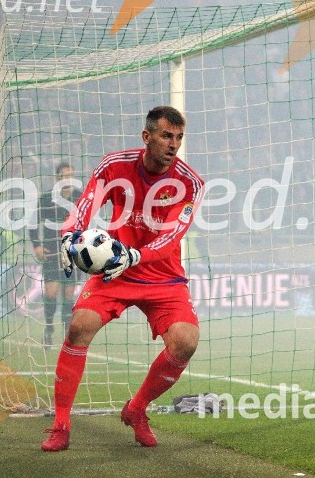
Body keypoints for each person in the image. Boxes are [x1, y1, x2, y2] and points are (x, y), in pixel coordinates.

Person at [41, 106, 204, 451]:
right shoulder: (114, 166)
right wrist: (70, 235)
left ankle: (137, 409)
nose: (173, 145)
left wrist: (136, 255)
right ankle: (60, 425)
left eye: (178, 137)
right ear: (147, 137)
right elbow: (86, 205)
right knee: (79, 326)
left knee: (186, 341)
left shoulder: (190, 183)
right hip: (114, 270)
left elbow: (171, 236)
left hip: (162, 276)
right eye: (166, 136)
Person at [28, 162, 83, 347]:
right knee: (51, 293)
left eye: (70, 175)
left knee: (69, 295)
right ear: (57, 178)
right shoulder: (46, 199)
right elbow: (33, 223)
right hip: (51, 252)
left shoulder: (79, 198)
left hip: (72, 253)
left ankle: (68, 334)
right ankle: (49, 329)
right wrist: (37, 245)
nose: (67, 180)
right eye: (63, 176)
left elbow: (87, 223)